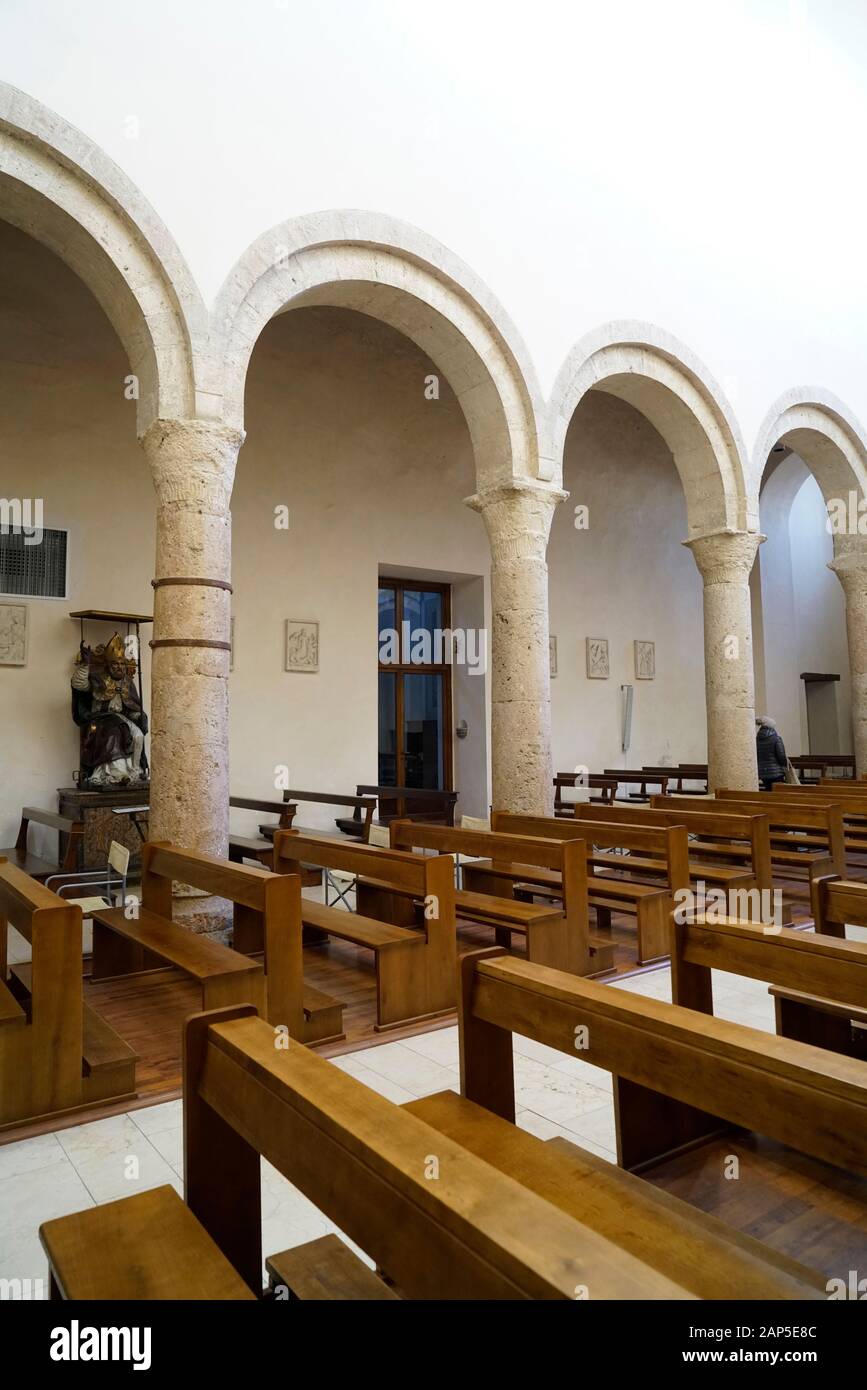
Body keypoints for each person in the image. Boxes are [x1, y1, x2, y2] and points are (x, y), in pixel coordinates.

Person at [756, 715, 787, 790]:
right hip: (776, 772)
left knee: (769, 792)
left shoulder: (757, 739)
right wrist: (785, 765)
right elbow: (781, 756)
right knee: (779, 794)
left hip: (762, 772)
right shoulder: (776, 739)